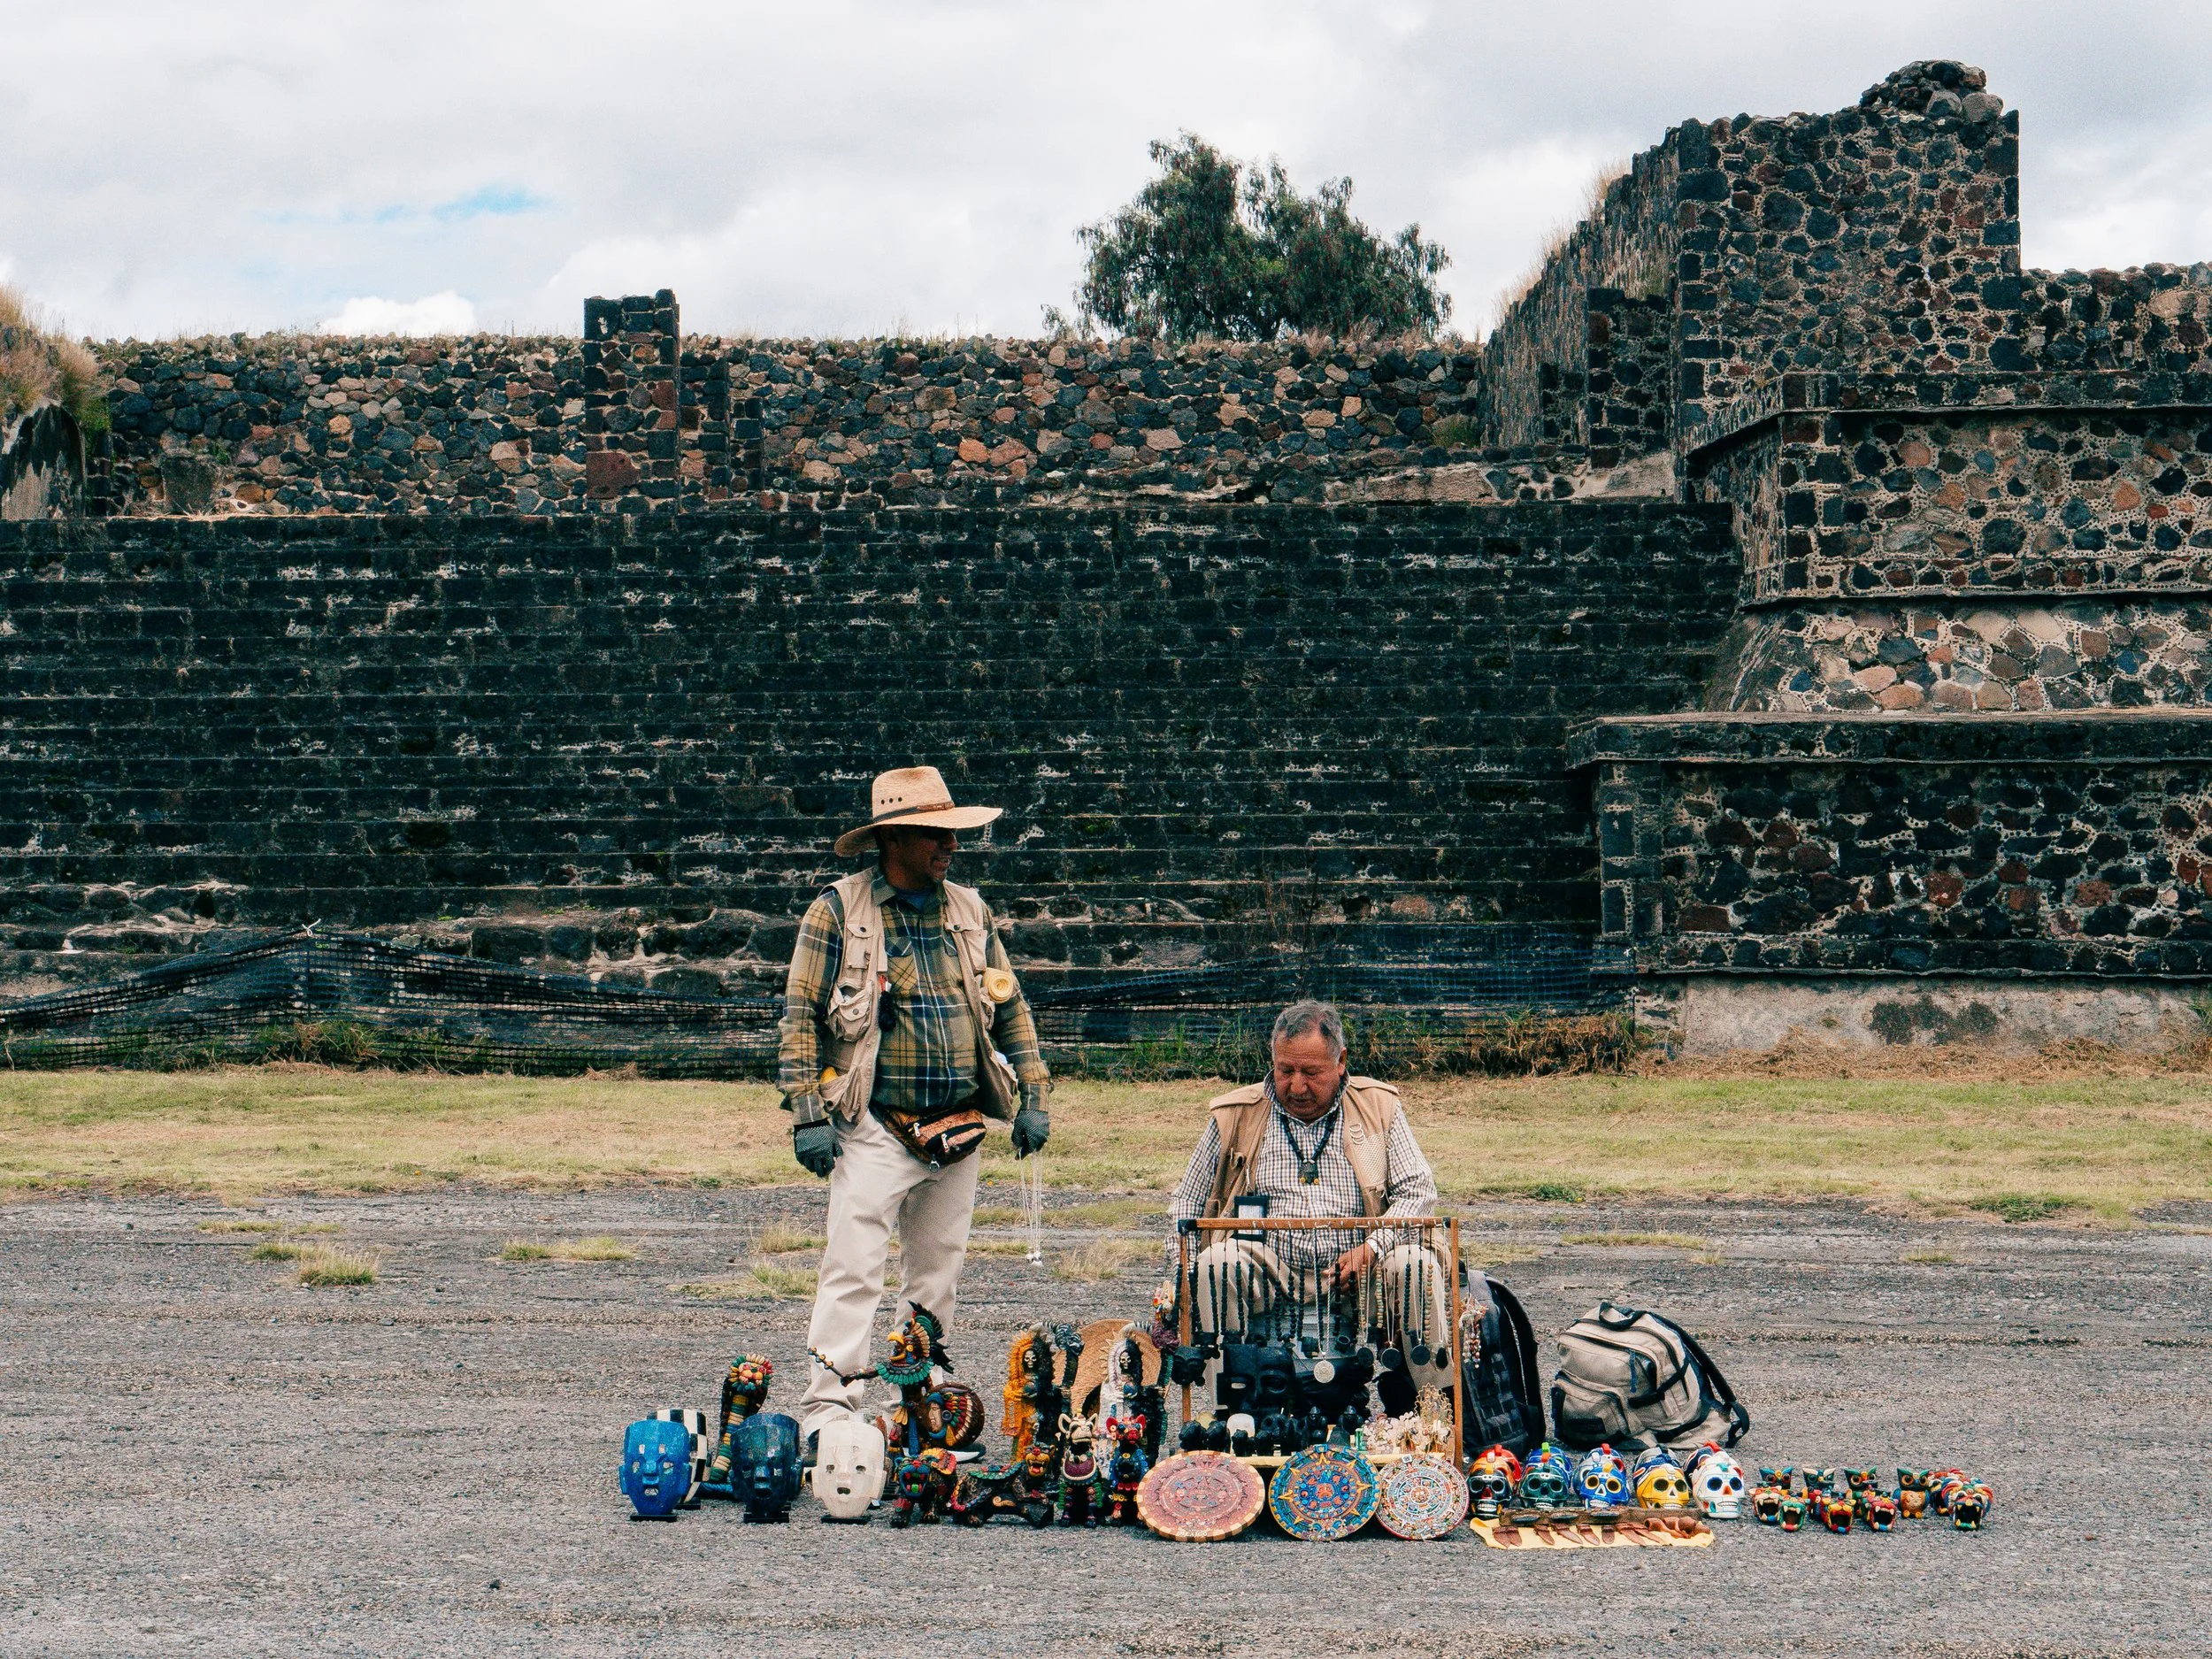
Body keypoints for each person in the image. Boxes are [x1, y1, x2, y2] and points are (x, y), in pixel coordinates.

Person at [779, 765, 1051, 1450]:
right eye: (937, 834)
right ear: (895, 837)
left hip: (959, 1122)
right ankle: (828, 1410)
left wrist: (1033, 1094)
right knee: (853, 1267)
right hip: (873, 1123)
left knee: (937, 1272)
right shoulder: (836, 911)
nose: (951, 846)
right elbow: (798, 1018)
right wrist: (810, 1113)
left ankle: (918, 1402)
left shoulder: (971, 909)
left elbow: (1010, 1006)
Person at [1164, 1000, 1449, 1394]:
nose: (1297, 1086)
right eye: (1285, 1070)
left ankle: (1434, 1415)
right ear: (1273, 1059)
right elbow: (1186, 1206)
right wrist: (1181, 1282)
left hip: (1360, 1270)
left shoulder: (1379, 1107)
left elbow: (1419, 1191)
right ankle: (1232, 1414)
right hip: (1268, 1268)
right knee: (1215, 1262)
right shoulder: (1235, 1114)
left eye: (1311, 1072)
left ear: (1341, 1062)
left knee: (1415, 1262)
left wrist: (1372, 1248)